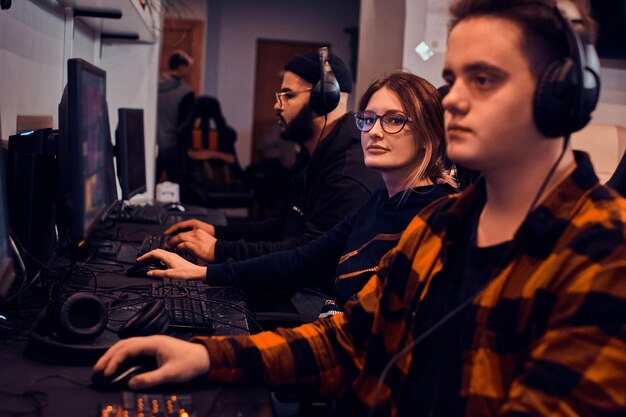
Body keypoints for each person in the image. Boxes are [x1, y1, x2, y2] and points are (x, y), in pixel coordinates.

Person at [95, 1, 626, 416]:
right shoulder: (442, 226)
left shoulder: (605, 253)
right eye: (454, 78)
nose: (453, 100)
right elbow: (352, 342)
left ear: (561, 96)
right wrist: (208, 355)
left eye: (483, 79)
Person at [134, 72, 458, 321]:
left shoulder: (433, 217)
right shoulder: (382, 201)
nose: (374, 131)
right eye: (369, 119)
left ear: (430, 133)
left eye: (395, 120)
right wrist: (203, 273)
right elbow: (304, 257)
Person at [162, 50, 384, 263]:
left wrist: (217, 251)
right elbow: (283, 229)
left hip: (317, 296)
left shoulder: (349, 173)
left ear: (323, 99)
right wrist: (216, 232)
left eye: (288, 95)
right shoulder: (311, 155)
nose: (277, 106)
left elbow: (306, 255)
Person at [155, 50, 195, 184]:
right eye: (188, 68)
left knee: (148, 186)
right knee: (176, 188)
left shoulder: (153, 85)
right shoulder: (186, 93)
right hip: (173, 145)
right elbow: (186, 124)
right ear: (182, 67)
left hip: (153, 143)